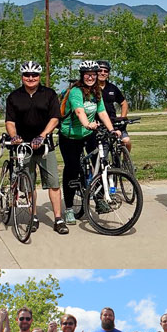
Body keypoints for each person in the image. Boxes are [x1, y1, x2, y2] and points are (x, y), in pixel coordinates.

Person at [54, 62, 115, 234]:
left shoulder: (97, 92)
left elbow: (102, 112)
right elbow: (79, 111)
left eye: (93, 74)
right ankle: (69, 208)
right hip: (70, 135)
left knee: (100, 163)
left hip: (89, 134)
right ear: (82, 76)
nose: (90, 77)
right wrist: (87, 124)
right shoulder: (75, 91)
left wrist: (112, 130)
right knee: (72, 169)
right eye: (87, 74)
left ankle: (100, 198)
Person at [2, 62, 63, 234]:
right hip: (23, 147)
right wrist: (14, 136)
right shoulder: (14, 97)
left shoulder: (49, 94)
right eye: (27, 75)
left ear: (39, 77)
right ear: (22, 76)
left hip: (44, 146)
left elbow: (55, 118)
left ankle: (58, 219)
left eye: (34, 75)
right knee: (28, 184)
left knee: (54, 183)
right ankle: (33, 216)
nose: (30, 78)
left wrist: (42, 135)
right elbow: (10, 121)